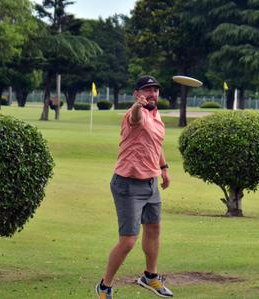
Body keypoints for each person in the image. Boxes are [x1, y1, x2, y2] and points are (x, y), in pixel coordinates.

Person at [96, 75, 173, 298]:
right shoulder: (135, 113)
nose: (152, 94)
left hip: (150, 183)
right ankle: (104, 286)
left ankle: (150, 276)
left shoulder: (156, 115)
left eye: (155, 90)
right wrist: (137, 107)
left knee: (154, 230)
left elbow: (156, 144)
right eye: (147, 90)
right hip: (128, 185)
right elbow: (135, 118)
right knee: (128, 240)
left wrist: (164, 168)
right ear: (137, 93)